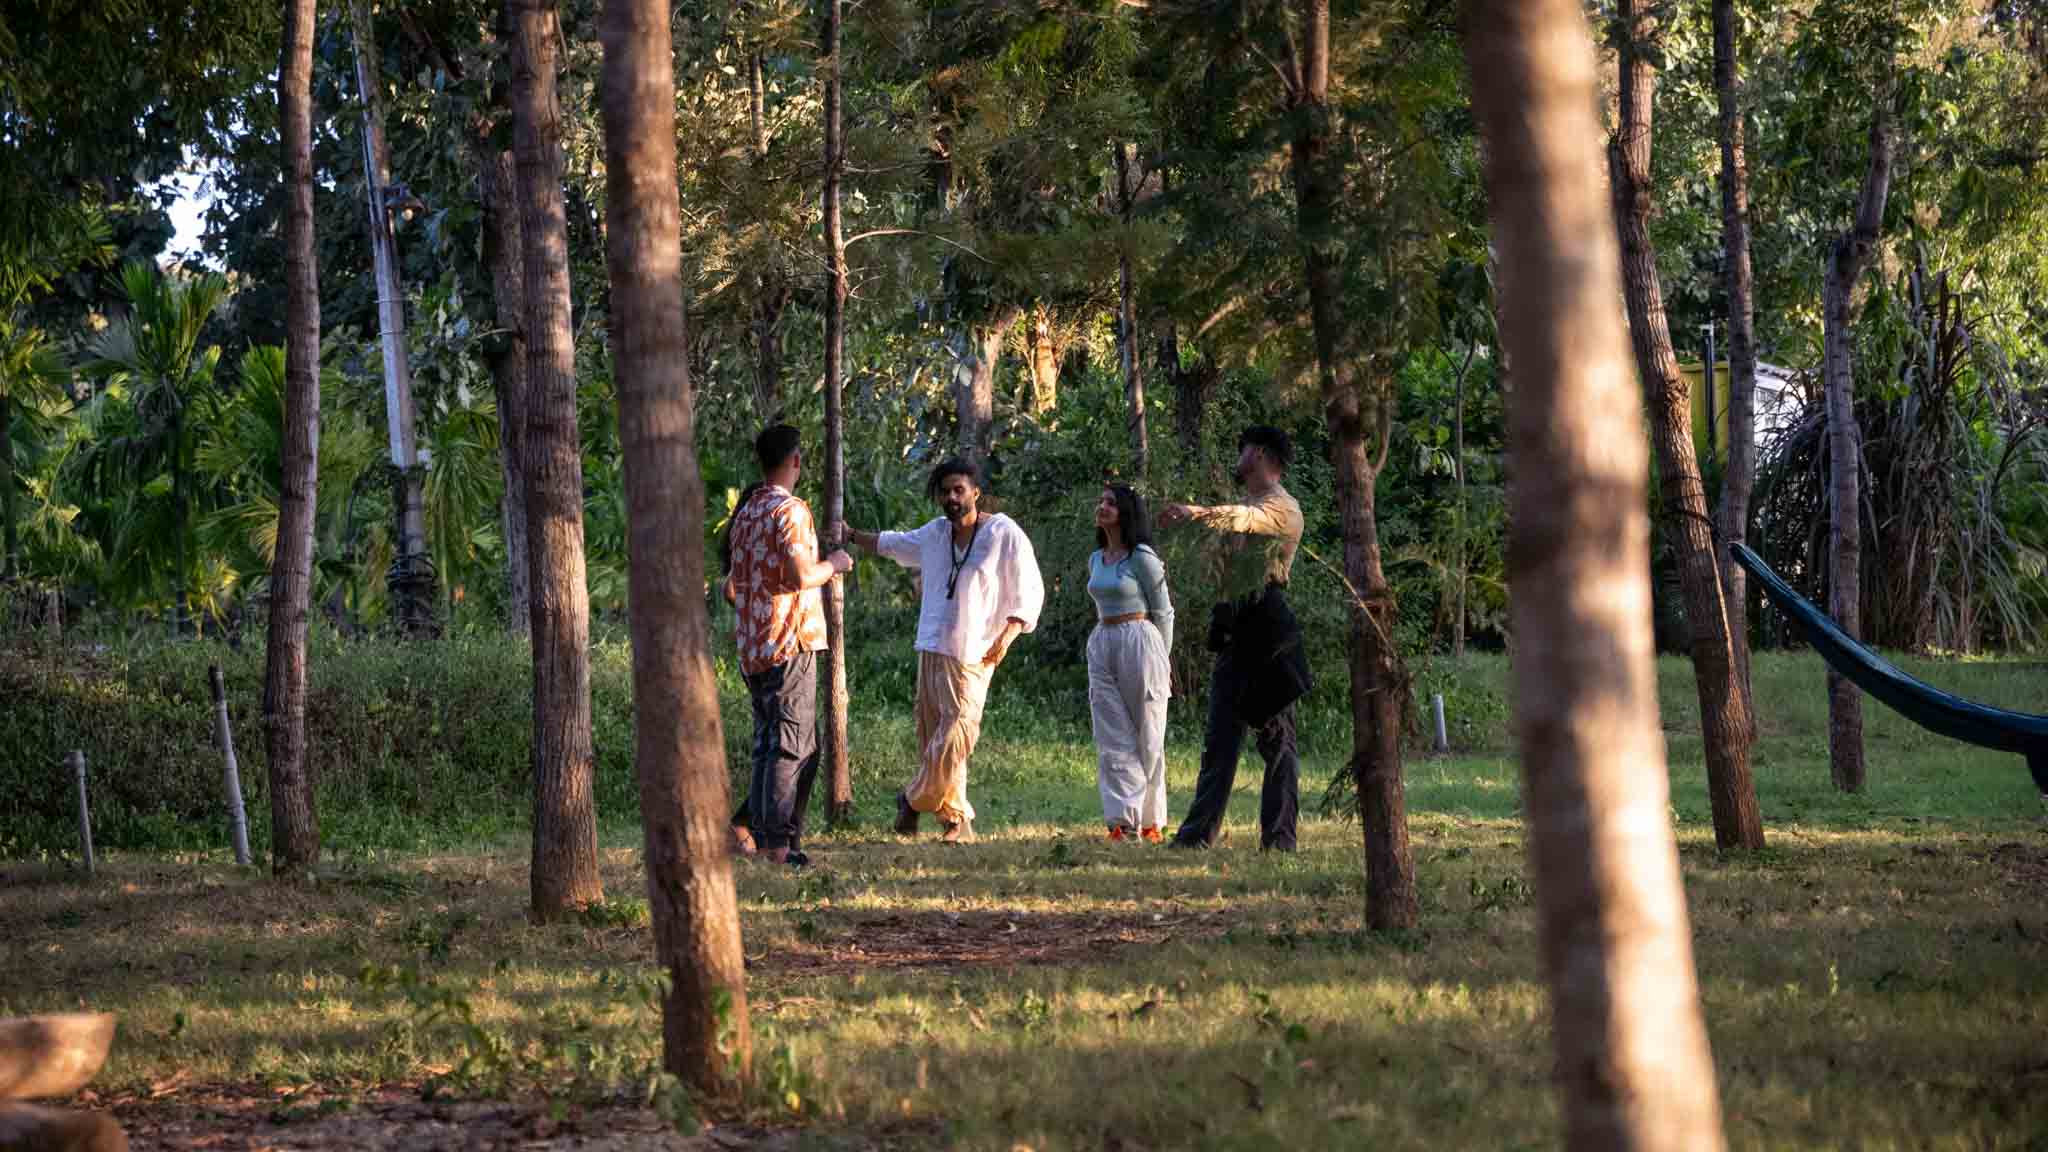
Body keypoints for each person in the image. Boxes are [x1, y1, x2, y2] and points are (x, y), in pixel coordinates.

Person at [843, 458, 1044, 843]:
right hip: (931, 645)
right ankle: (957, 822)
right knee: (934, 735)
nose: (952, 498)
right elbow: (893, 543)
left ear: (975, 493)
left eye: (959, 490)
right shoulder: (935, 533)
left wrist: (1009, 634)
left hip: (975, 650)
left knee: (959, 730)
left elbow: (1029, 586)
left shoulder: (1003, 532)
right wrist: (852, 534)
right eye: (945, 491)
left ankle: (912, 798)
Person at [1157, 425, 1311, 851]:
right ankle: (1195, 836)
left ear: (1259, 454)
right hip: (1235, 628)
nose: (1238, 455)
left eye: (1243, 448)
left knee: (1277, 739)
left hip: (1268, 627)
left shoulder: (1283, 508)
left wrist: (1197, 513)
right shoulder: (1243, 505)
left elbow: (1247, 521)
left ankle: (1280, 840)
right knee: (1220, 738)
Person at [721, 425, 853, 866]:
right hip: (789, 640)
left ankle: (761, 836)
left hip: (754, 645)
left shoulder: (746, 513)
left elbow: (730, 587)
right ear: (795, 460)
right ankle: (777, 846)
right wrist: (834, 563)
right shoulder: (789, 510)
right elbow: (800, 576)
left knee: (772, 743)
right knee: (790, 746)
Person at [1087, 484, 1175, 843]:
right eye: (1101, 500)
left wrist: (1163, 661)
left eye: (1111, 503)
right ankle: (1123, 823)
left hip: (1141, 640)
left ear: (1126, 512)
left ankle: (1151, 821)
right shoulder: (1096, 558)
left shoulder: (1142, 557)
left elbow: (1164, 610)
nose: (1103, 506)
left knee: (1148, 733)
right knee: (1112, 735)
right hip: (1103, 640)